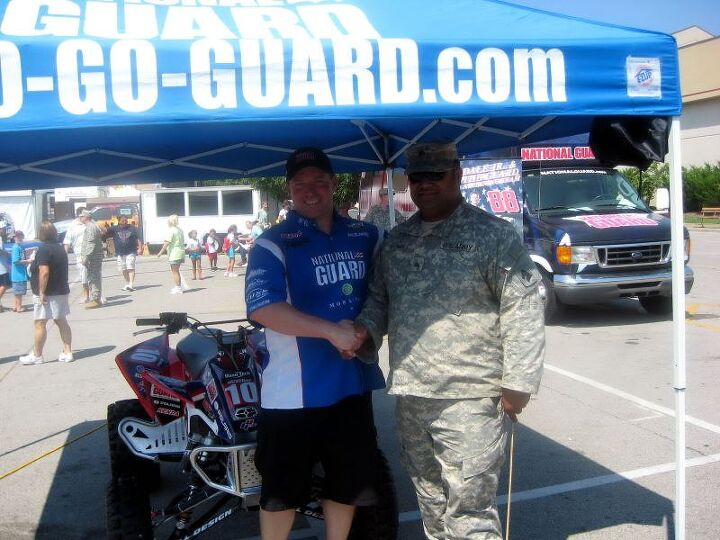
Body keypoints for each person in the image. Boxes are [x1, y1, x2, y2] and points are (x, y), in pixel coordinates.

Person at [352, 141, 545, 540]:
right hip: (412, 396)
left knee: (469, 511)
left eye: (435, 176)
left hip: (470, 398)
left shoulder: (492, 235)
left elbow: (522, 306)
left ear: (457, 175)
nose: (424, 185)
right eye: (417, 177)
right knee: (432, 503)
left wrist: (519, 382)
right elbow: (378, 300)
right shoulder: (398, 240)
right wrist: (362, 333)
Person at [244, 147, 385, 540]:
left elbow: (386, 293)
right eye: (300, 183)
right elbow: (263, 309)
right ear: (289, 189)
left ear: (333, 184)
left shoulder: (366, 235)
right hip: (291, 395)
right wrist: (331, 330)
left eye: (319, 181)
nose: (310, 191)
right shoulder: (272, 243)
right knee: (281, 494)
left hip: (351, 387)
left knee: (348, 484)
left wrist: (363, 330)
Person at [19, 221, 74, 365]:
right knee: (61, 320)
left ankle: (37, 355)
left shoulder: (44, 250)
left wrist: (42, 292)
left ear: (41, 234)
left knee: (40, 323)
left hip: (47, 292)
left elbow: (44, 272)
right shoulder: (60, 248)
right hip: (61, 290)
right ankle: (67, 352)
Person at [106, 215, 142, 291]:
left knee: (130, 267)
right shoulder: (114, 228)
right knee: (123, 268)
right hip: (120, 253)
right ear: (119, 221)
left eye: (126, 220)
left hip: (131, 251)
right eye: (123, 220)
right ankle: (127, 283)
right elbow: (105, 232)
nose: (125, 221)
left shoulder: (132, 228)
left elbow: (138, 238)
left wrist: (140, 248)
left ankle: (131, 284)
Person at [79, 209, 105, 309]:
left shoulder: (91, 227)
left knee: (94, 277)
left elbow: (91, 243)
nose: (80, 218)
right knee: (91, 276)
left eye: (81, 216)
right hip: (93, 256)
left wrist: (86, 257)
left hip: (93, 257)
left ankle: (96, 299)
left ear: (86, 217)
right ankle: (95, 298)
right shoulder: (90, 226)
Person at [63, 207, 90, 303]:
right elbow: (67, 241)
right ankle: (87, 295)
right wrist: (64, 256)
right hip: (80, 256)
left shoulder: (90, 222)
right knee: (84, 277)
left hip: (92, 254)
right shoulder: (73, 226)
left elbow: (102, 231)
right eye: (85, 215)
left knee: (95, 276)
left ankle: (97, 295)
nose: (87, 216)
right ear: (80, 215)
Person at [156, 214, 187, 294]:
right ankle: (178, 286)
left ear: (170, 221)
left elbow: (167, 242)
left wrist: (160, 253)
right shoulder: (179, 230)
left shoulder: (171, 230)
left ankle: (178, 288)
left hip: (174, 253)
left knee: (175, 271)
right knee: (176, 271)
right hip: (180, 251)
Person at [11, 230, 31, 313]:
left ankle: (15, 306)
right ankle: (19, 307)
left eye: (20, 236)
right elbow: (16, 261)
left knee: (17, 292)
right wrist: (28, 261)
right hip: (18, 274)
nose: (19, 238)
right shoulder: (16, 247)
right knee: (19, 292)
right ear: (14, 237)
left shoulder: (20, 246)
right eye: (17, 236)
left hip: (20, 273)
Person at [0, 231, 9, 313]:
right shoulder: (0, 238)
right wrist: (7, 253)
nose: (4, 231)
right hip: (1, 268)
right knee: (4, 285)